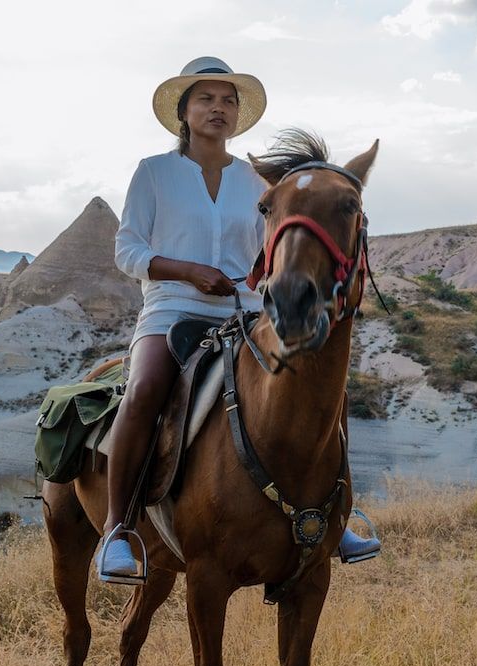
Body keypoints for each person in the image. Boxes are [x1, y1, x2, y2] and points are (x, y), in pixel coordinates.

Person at [95, 56, 380, 584]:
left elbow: (272, 247)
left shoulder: (257, 181)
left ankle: (332, 517)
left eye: (228, 100)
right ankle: (118, 531)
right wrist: (187, 272)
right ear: (184, 111)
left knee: (319, 389)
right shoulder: (154, 173)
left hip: (245, 311)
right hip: (172, 310)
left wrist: (268, 278)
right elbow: (128, 249)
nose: (218, 108)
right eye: (205, 99)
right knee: (144, 391)